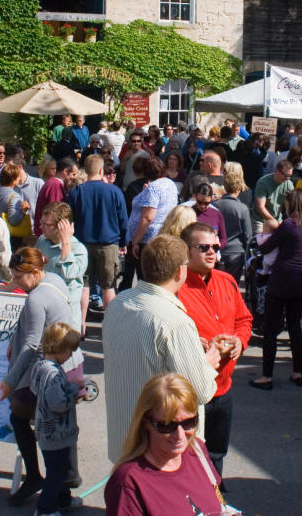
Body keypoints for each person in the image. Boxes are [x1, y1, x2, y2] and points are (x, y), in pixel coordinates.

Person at [102, 234, 220, 463]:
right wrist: (207, 362)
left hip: (122, 437)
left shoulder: (119, 302)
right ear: (179, 272)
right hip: (158, 449)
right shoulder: (175, 321)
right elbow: (202, 390)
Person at [0, 247, 80, 505]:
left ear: (34, 273)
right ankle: (63, 489)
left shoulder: (36, 298)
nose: (16, 283)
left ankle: (38, 478)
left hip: (46, 375)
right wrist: (15, 337)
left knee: (27, 420)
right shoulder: (53, 279)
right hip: (67, 368)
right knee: (60, 427)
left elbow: (31, 345)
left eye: (19, 277)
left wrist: (9, 382)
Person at [176, 221, 253, 478]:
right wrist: (197, 342)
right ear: (186, 251)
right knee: (187, 457)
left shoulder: (227, 280)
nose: (212, 252)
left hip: (224, 388)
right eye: (204, 247)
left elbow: (243, 319)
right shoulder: (176, 287)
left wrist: (239, 342)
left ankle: (215, 496)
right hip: (194, 391)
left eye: (215, 247)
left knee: (217, 454)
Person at [105, 373, 226, 515]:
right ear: (146, 423)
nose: (180, 435)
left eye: (189, 423)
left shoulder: (197, 450)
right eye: (167, 426)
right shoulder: (128, 482)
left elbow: (217, 497)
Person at [4, 322, 84, 516]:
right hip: (56, 433)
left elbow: (36, 391)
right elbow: (58, 403)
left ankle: (63, 499)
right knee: (56, 474)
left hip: (47, 431)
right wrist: (75, 391)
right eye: (69, 351)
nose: (71, 355)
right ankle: (46, 509)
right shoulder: (54, 373)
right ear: (60, 349)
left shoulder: (40, 367)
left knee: (59, 470)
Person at [251, 189, 302, 390]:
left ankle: (267, 375)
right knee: (295, 327)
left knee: (271, 328)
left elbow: (266, 248)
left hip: (282, 277)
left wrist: (262, 236)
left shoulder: (289, 225)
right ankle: (297, 371)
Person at [67, 153, 128, 323]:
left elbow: (68, 218)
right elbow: (123, 220)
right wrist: (123, 243)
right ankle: (110, 328)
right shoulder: (114, 192)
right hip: (108, 243)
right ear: (101, 170)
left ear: (85, 171)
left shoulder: (76, 192)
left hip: (82, 243)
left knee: (83, 286)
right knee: (108, 287)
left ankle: (80, 326)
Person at [122, 157, 179, 291]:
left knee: (147, 279)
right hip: (164, 234)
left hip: (148, 239)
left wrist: (136, 241)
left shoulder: (153, 188)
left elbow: (148, 217)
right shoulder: (170, 184)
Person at [36, 201, 89, 330]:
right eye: (41, 222)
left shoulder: (79, 250)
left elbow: (69, 274)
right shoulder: (42, 240)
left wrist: (65, 241)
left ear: (61, 226)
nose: (40, 226)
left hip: (65, 319)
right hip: (43, 313)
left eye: (46, 224)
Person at [212, 165, 253, 284]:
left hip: (218, 250)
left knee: (217, 285)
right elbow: (248, 235)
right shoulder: (242, 208)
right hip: (236, 252)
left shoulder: (215, 205)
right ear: (239, 189)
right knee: (232, 285)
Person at [35, 157, 79, 237]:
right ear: (65, 171)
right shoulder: (55, 185)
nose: (74, 177)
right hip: (48, 235)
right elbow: (55, 212)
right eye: (73, 174)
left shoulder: (53, 183)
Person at [253, 160, 294, 233]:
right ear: (277, 171)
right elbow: (260, 207)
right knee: (260, 241)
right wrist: (273, 221)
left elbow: (292, 205)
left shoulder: (289, 184)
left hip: (277, 219)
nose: (288, 178)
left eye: (290, 176)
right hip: (261, 220)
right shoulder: (263, 183)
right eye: (286, 175)